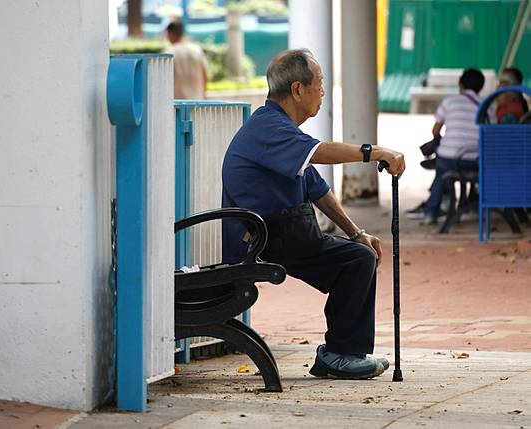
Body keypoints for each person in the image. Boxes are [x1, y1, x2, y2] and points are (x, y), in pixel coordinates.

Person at [221, 49, 406, 380]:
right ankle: (339, 355)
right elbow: (320, 153)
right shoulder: (268, 127)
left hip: (284, 232)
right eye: (319, 84)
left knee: (357, 253)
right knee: (356, 261)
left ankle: (342, 354)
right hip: (264, 237)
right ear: (297, 90)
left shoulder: (282, 131)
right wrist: (375, 152)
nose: (322, 91)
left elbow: (317, 190)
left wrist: (356, 233)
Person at [407, 68, 485, 224]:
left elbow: (435, 130)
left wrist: (443, 141)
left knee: (441, 172)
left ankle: (431, 211)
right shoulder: (486, 106)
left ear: (460, 84)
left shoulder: (450, 102)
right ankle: (466, 204)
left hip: (449, 158)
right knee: (446, 169)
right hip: (476, 159)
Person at [164, 20, 208, 99]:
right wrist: (204, 95)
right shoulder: (197, 50)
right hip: (197, 100)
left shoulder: (169, 52)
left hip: (177, 103)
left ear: (170, 34)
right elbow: (204, 74)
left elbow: (164, 79)